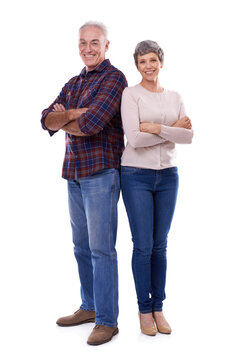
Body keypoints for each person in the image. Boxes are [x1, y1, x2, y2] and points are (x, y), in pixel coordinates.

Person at [41, 21, 127, 346]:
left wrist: (68, 117)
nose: (88, 48)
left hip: (102, 175)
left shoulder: (115, 79)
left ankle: (108, 320)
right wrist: (69, 115)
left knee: (101, 250)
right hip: (73, 174)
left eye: (94, 42)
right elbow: (45, 119)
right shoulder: (74, 82)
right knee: (80, 246)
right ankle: (90, 307)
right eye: (83, 43)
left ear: (106, 46)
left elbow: (92, 123)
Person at [120, 40, 193, 336]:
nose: (148, 66)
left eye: (152, 60)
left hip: (168, 177)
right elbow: (134, 139)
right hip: (136, 174)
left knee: (161, 245)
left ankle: (159, 307)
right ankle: (143, 308)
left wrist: (155, 128)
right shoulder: (131, 94)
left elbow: (188, 137)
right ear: (137, 66)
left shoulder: (175, 96)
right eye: (142, 62)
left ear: (161, 62)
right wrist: (170, 131)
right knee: (144, 245)